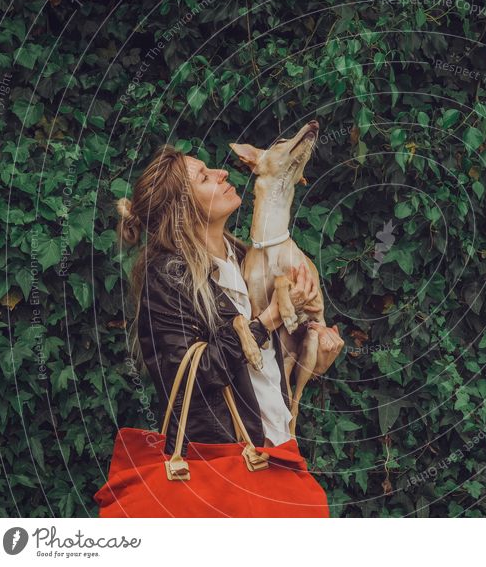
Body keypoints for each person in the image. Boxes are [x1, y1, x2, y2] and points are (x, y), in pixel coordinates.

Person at [116, 144, 344, 456]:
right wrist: (267, 321)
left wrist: (315, 358)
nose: (222, 173)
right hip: (222, 462)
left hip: (278, 446)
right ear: (182, 210)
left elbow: (267, 371)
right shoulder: (168, 278)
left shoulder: (247, 261)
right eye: (204, 177)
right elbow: (187, 383)